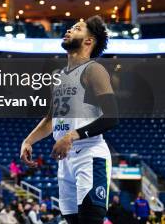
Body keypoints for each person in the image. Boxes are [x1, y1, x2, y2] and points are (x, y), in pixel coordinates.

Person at [21, 16, 118, 224]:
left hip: (90, 155)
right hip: (65, 160)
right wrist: (28, 140)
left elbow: (112, 117)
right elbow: (50, 119)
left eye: (77, 28)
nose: (69, 30)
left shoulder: (94, 70)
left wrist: (72, 135)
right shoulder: (58, 75)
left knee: (90, 219)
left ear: (89, 41)